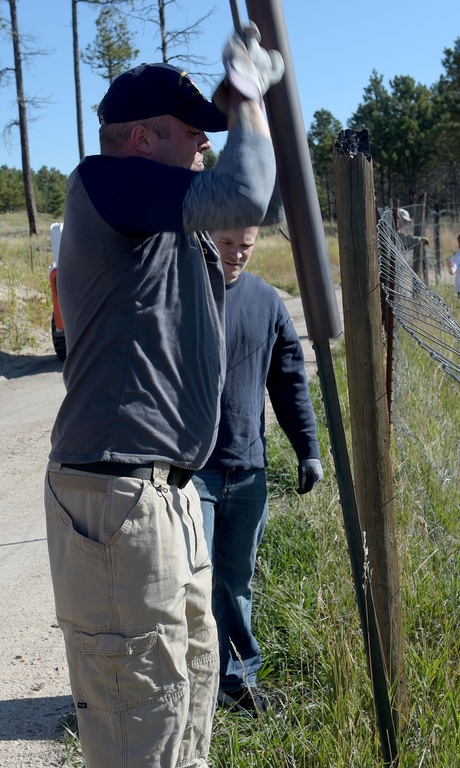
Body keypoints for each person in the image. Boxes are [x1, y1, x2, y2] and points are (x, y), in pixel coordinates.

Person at [43, 25, 283, 768]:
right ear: (142, 139)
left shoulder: (160, 217)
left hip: (167, 494)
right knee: (139, 724)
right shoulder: (106, 184)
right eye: (193, 135)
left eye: (210, 136)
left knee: (187, 703)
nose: (204, 148)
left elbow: (253, 203)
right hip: (120, 497)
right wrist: (245, 96)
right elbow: (245, 188)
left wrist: (245, 108)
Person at [192, 226, 322, 715]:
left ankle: (236, 680)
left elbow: (289, 380)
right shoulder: (182, 293)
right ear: (207, 236)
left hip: (248, 471)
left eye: (246, 245)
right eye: (227, 243)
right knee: (191, 580)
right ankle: (189, 683)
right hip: (190, 474)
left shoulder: (267, 301)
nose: (237, 254)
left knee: (235, 580)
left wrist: (308, 449)